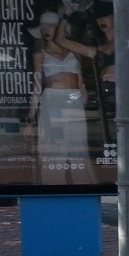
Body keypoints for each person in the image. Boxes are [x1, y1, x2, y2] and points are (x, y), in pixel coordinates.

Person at [29, 12, 95, 185]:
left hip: (73, 98)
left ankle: (83, 186)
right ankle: (52, 186)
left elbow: (80, 78)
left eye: (50, 26)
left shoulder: (74, 52)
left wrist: (83, 92)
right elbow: (37, 85)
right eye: (43, 27)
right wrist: (30, 118)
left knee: (78, 145)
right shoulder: (40, 54)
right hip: (52, 98)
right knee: (53, 145)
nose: (46, 30)